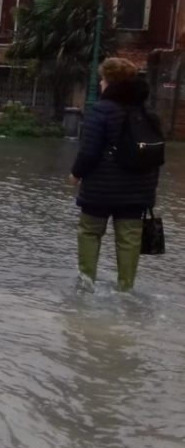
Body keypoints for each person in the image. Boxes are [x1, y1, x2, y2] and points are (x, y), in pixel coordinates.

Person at [69, 57, 160, 291]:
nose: (100, 83)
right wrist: (149, 193)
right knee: (129, 240)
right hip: (137, 192)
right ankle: (126, 288)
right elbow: (156, 156)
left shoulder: (101, 110)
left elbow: (89, 151)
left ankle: (86, 285)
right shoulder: (148, 114)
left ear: (109, 82)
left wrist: (76, 174)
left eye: (102, 79)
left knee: (90, 232)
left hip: (99, 190)